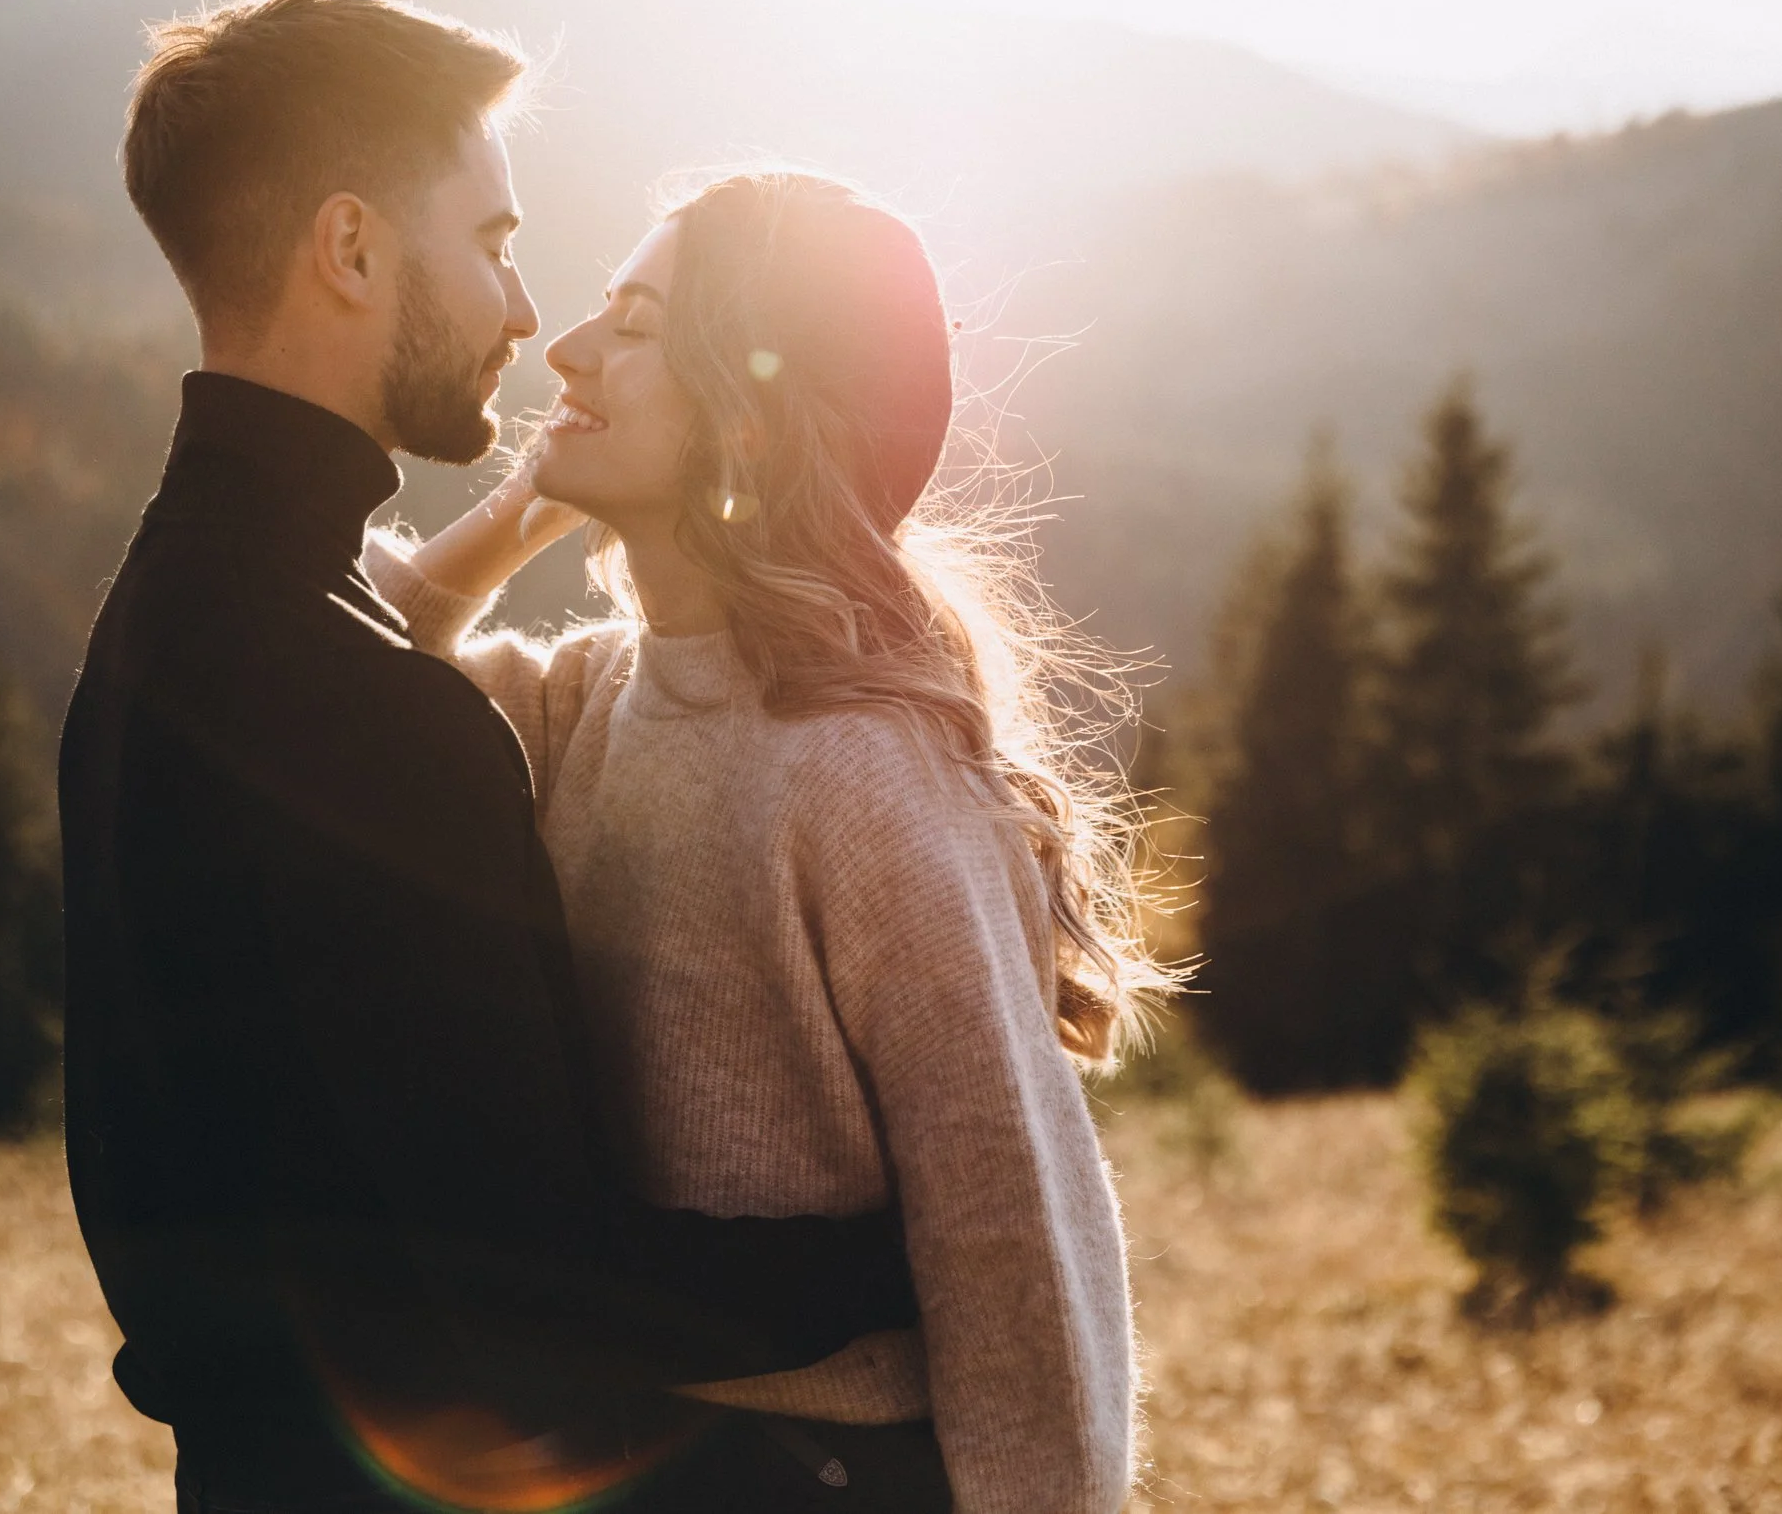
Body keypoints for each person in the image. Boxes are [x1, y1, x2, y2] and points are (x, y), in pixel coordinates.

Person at [59, 0, 921, 1514]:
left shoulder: (161, 623)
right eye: (496, 244)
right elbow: (545, 1291)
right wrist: (902, 1247)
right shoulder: (370, 713)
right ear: (351, 249)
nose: (527, 317)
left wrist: (524, 509)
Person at [365, 171, 1177, 1514]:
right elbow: (355, 657)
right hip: (635, 1451)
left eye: (630, 326)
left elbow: (1012, 1232)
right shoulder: (594, 698)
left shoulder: (864, 774)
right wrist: (532, 502)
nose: (564, 348)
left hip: (820, 1478)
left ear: (748, 414)